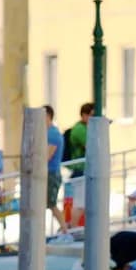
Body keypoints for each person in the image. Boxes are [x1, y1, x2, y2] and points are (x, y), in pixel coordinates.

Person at [63, 102, 93, 228]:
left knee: (85, 203)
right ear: (84, 115)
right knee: (80, 204)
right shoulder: (80, 129)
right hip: (80, 169)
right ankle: (72, 229)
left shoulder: (85, 128)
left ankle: (72, 227)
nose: (94, 118)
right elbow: (91, 147)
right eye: (92, 115)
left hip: (85, 169)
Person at [42, 105, 70, 239]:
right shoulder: (50, 132)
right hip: (50, 173)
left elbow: (47, 156)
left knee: (51, 204)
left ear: (47, 116)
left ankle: (65, 230)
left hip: (51, 173)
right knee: (48, 204)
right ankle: (64, 230)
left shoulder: (52, 134)